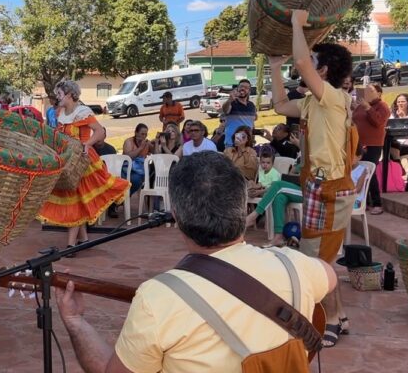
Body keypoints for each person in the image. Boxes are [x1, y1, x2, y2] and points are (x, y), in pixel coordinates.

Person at [55, 151, 336, 373]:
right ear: (241, 205)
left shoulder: (158, 299)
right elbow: (329, 275)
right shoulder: (292, 264)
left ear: (176, 215)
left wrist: (75, 320)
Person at [269, 9, 357, 348]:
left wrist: (296, 24)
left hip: (332, 190)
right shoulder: (311, 103)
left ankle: (331, 318)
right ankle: (341, 316)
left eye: (313, 60)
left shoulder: (334, 98)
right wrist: (276, 68)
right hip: (318, 188)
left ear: (323, 70)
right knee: (320, 257)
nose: (305, 62)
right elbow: (278, 105)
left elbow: (303, 64)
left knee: (317, 261)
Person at [37, 80, 130, 256]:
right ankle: (84, 240)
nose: (58, 98)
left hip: (83, 162)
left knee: (75, 200)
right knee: (76, 200)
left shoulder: (82, 112)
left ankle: (72, 245)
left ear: (70, 95)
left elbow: (100, 132)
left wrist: (87, 144)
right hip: (68, 160)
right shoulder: (60, 113)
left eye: (60, 94)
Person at [352, 83, 389, 215]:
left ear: (378, 93)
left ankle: (377, 203)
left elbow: (378, 122)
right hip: (359, 144)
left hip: (373, 144)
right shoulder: (361, 106)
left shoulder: (382, 106)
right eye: (366, 91)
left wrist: (368, 108)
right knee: (359, 171)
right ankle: (365, 202)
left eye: (371, 91)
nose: (367, 93)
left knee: (369, 172)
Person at [122, 123, 156, 196]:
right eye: (142, 134)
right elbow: (128, 157)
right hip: (127, 169)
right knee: (135, 179)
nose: (144, 136)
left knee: (138, 179)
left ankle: (125, 197)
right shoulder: (129, 141)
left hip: (140, 171)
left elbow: (156, 153)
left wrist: (155, 143)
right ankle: (124, 197)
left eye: (145, 134)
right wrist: (140, 148)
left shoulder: (147, 143)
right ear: (136, 133)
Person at [222, 79, 257, 148]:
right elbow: (225, 110)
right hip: (232, 144)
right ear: (237, 89)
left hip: (247, 144)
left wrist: (252, 139)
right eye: (241, 86)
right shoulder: (232, 103)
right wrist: (229, 100)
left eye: (246, 88)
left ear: (249, 92)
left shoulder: (252, 105)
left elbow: (252, 124)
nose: (243, 88)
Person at [390, 93, 408, 159]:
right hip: (397, 142)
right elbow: (390, 128)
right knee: (388, 147)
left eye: (403, 101)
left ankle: (396, 168)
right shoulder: (393, 115)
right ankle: (396, 167)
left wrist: (402, 119)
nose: (400, 103)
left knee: (394, 151)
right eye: (398, 102)